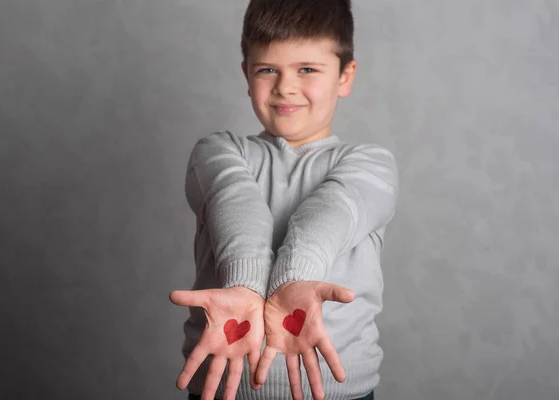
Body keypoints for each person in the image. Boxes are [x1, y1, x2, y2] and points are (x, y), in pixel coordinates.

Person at [169, 0, 399, 399]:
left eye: (307, 69)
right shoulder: (216, 152)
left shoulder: (370, 164)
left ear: (345, 76)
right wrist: (246, 284)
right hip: (224, 387)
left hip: (338, 392)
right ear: (246, 74)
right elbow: (234, 204)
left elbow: (334, 210)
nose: (285, 87)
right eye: (267, 70)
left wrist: (294, 277)